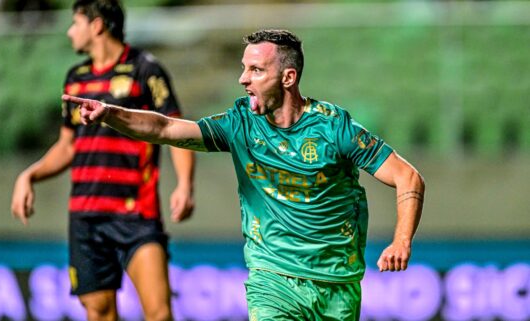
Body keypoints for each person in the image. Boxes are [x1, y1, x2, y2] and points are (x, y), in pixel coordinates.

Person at [64, 29, 425, 321]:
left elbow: (408, 177)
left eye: (255, 70)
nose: (242, 79)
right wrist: (111, 113)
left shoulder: (336, 129)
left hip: (337, 283)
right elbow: (165, 129)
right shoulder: (239, 124)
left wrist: (401, 241)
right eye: (243, 68)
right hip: (270, 279)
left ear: (288, 77)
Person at [11, 1, 195, 321]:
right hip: (85, 216)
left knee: (159, 312)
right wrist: (29, 175)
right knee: (98, 311)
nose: (70, 32)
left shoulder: (145, 69)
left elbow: (173, 130)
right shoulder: (75, 78)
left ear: (96, 26)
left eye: (75, 23)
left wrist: (185, 185)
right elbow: (67, 146)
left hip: (135, 213)